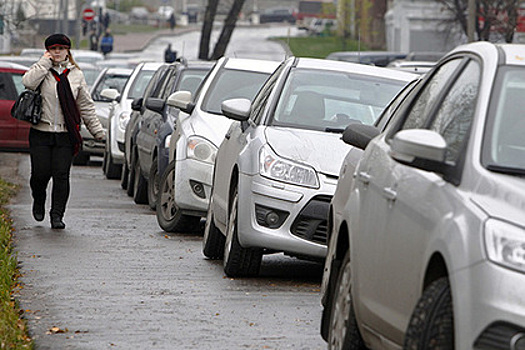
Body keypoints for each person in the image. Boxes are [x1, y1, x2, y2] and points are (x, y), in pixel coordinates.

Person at [21, 33, 105, 229]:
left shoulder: (76, 74)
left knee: (61, 175)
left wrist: (97, 132)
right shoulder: (41, 70)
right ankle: (39, 199)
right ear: (48, 51)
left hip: (66, 135)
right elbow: (28, 82)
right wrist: (44, 63)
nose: (57, 52)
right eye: (53, 49)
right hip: (41, 132)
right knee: (40, 174)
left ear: (67, 51)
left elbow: (85, 105)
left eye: (61, 48)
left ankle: (57, 215)